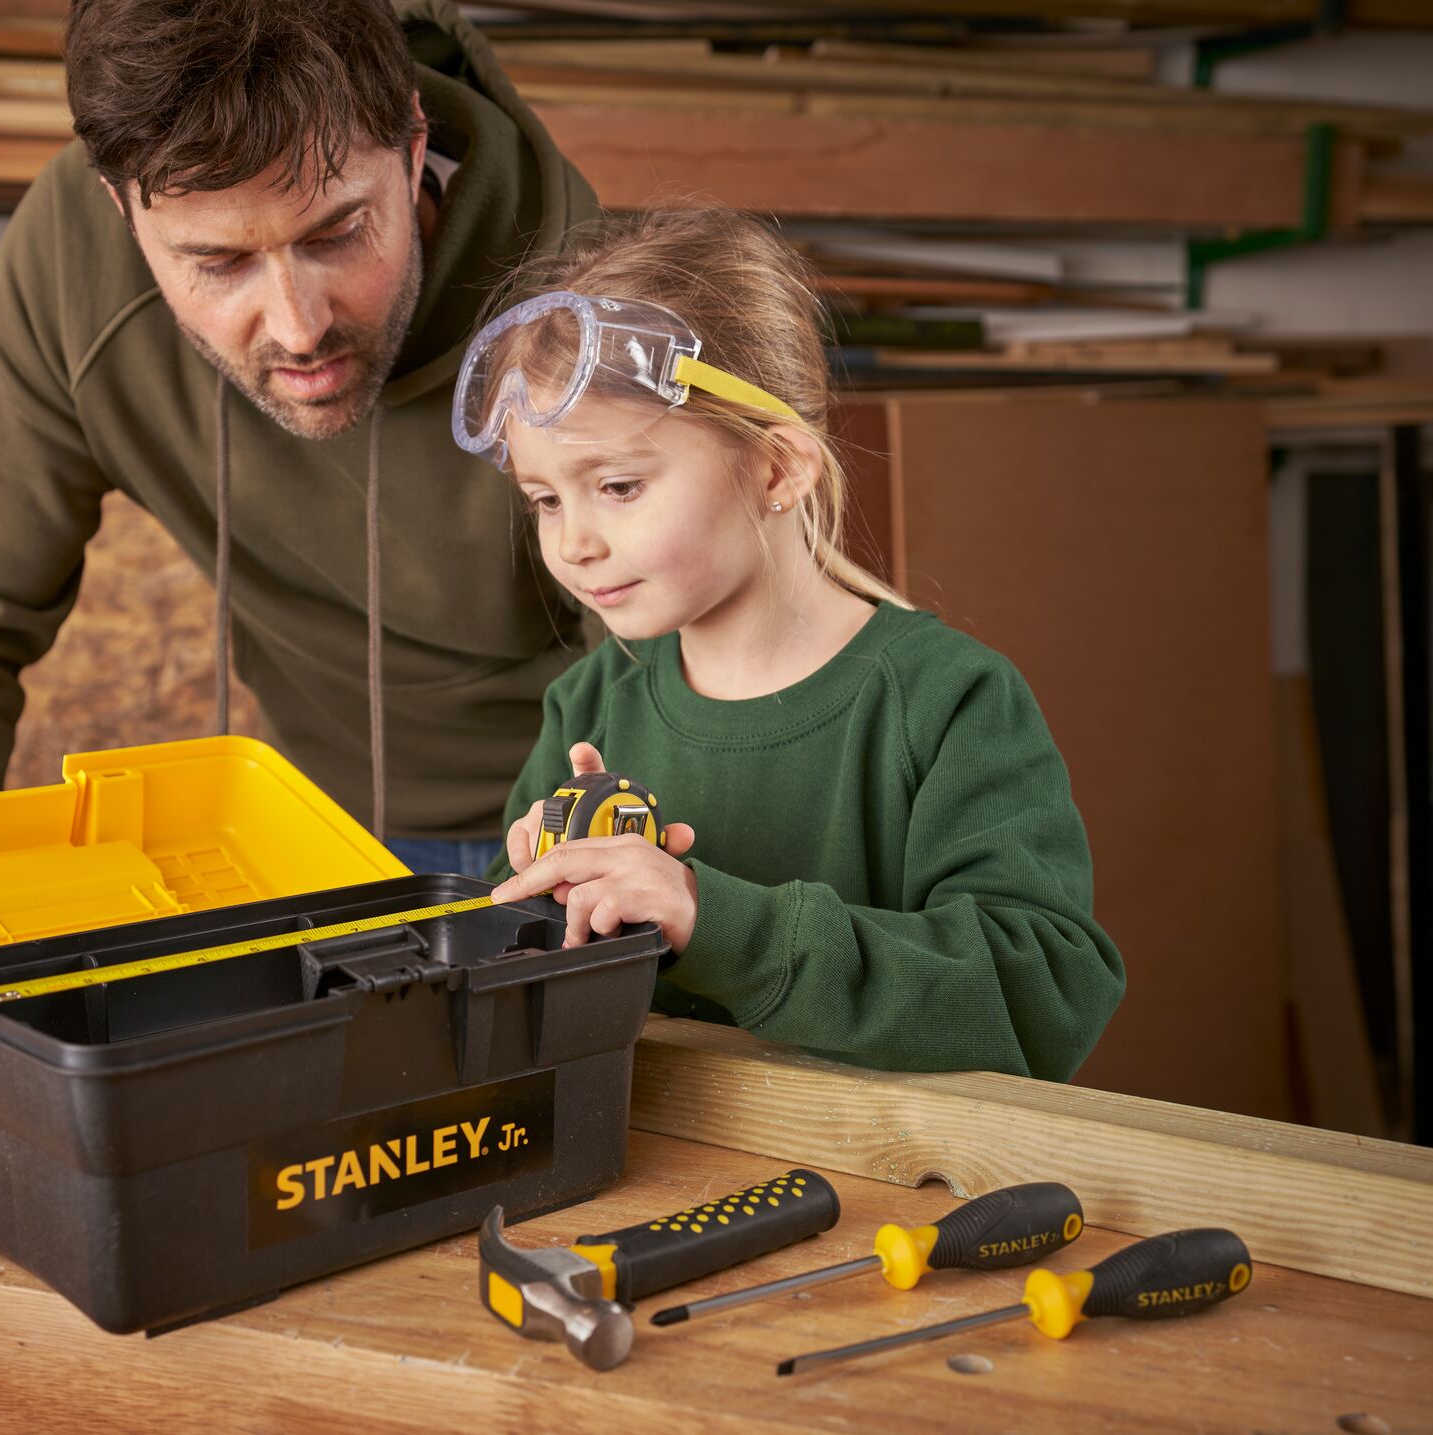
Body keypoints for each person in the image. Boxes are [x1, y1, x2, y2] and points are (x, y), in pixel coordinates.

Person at [0, 0, 601, 1079]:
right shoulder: (72, 266)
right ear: (118, 209)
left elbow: (691, 658)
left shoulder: (585, 297)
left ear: (412, 142)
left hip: (572, 836)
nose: (297, 322)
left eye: (336, 232)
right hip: (306, 844)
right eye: (218, 263)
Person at [468, 210, 1125, 1080]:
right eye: (547, 500)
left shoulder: (947, 704)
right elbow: (507, 994)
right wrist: (545, 917)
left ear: (777, 469)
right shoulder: (589, 707)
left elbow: (1041, 995)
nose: (574, 542)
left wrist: (711, 917)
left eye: (619, 485)